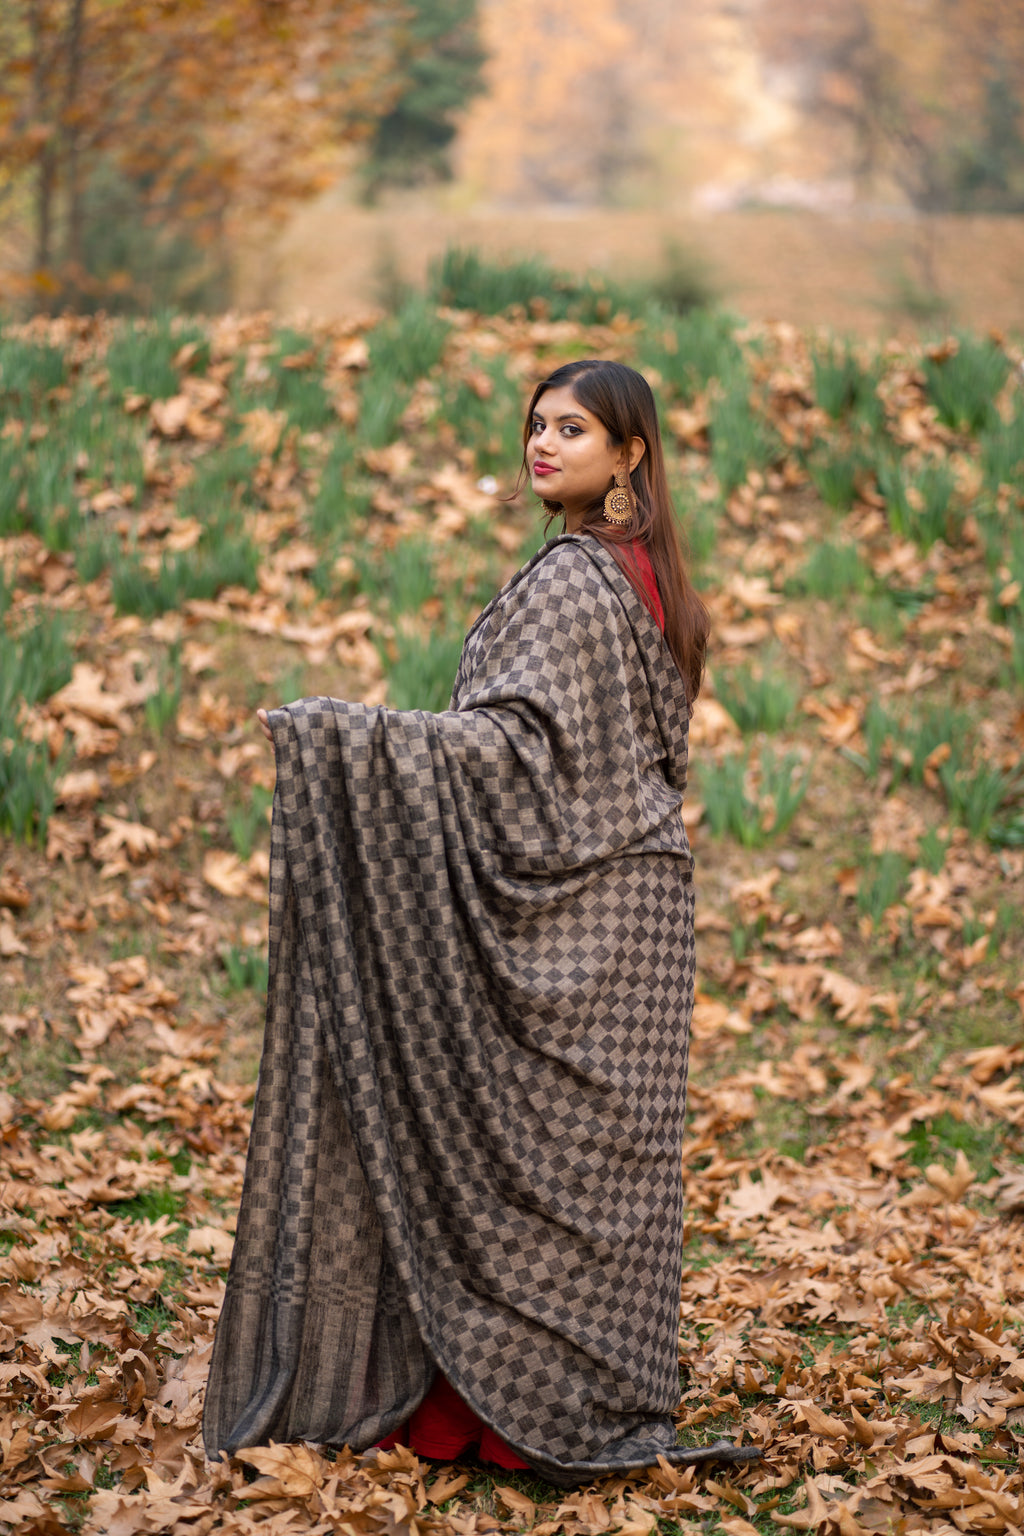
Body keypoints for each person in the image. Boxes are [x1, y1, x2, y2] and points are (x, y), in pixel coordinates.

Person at [203, 358, 756, 1486]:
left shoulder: (577, 581)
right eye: (537, 425)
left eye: (573, 429)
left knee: (545, 1153)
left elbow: (521, 757)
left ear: (631, 454)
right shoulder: (647, 579)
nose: (543, 444)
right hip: (645, 908)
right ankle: (567, 1401)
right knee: (595, 1166)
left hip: (585, 911)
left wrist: (344, 737)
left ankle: (498, 1419)